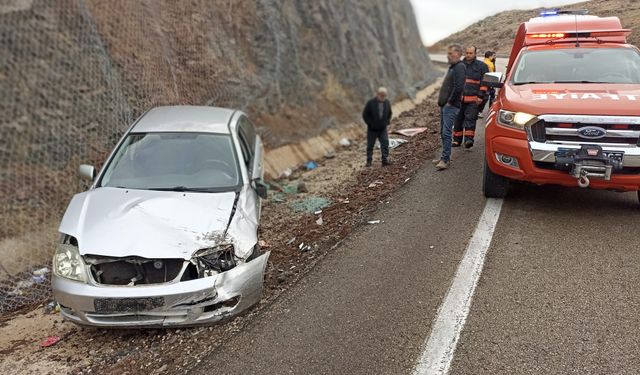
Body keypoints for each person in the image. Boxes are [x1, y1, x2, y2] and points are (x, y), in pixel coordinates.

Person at [434, 44, 465, 170]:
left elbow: (459, 87)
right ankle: (443, 156)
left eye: (450, 53)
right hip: (445, 106)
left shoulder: (459, 67)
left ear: (458, 54)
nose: (448, 56)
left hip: (451, 106)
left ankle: (445, 160)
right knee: (443, 132)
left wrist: (450, 102)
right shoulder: (453, 67)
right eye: (448, 53)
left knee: (447, 133)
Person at [452, 46, 489, 149]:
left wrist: (480, 96)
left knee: (470, 119)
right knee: (457, 120)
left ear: (475, 53)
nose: (468, 55)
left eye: (471, 53)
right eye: (467, 53)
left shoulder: (482, 66)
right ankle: (456, 140)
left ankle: (469, 140)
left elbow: (484, 83)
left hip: (473, 99)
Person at [362, 87, 392, 167]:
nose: (383, 97)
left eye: (384, 95)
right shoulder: (371, 103)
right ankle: (369, 161)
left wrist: (387, 121)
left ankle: (385, 160)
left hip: (382, 129)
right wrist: (370, 124)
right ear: (377, 94)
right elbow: (365, 115)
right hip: (372, 129)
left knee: (385, 143)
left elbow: (389, 113)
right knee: (370, 145)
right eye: (381, 95)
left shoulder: (387, 103)